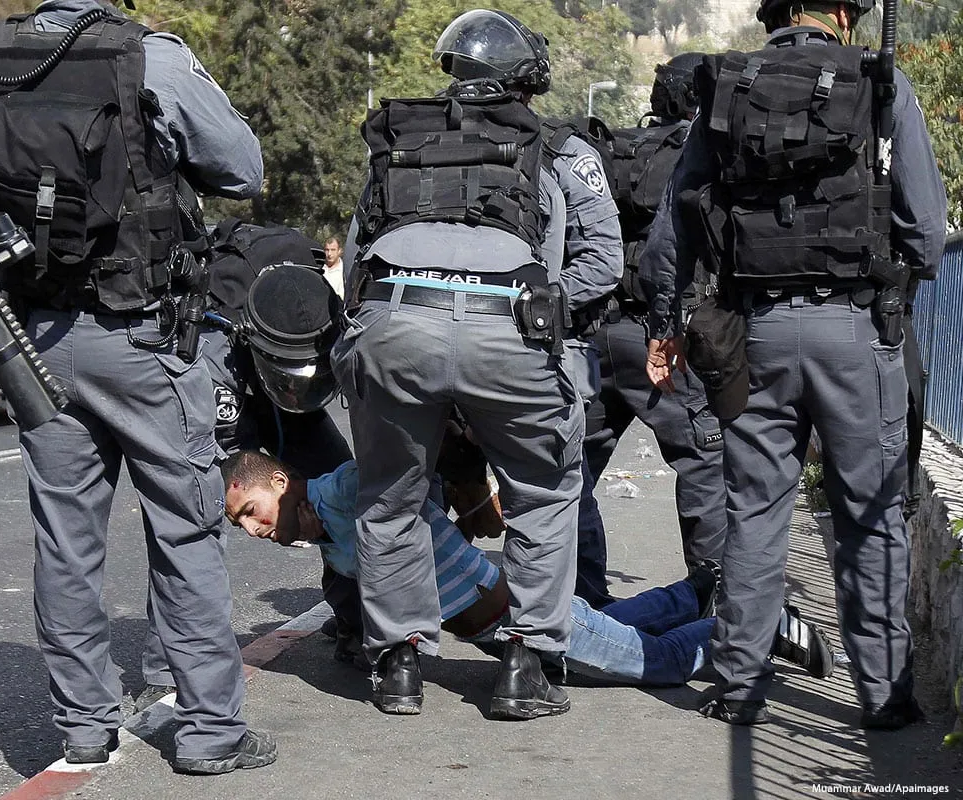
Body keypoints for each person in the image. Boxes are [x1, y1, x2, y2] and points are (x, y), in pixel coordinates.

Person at [0, 0, 275, 773]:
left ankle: (83, 727)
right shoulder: (148, 56)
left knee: (65, 540)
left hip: (33, 338)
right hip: (141, 335)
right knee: (186, 530)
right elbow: (243, 170)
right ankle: (209, 732)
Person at [641, 0, 947, 728]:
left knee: (754, 512)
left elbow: (675, 223)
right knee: (871, 514)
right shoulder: (877, 79)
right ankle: (883, 696)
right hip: (856, 331)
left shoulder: (728, 85)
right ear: (841, 12)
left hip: (756, 334)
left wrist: (668, 321)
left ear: (775, 15)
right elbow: (928, 231)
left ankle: (738, 687)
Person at [335, 8, 622, 719]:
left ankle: (398, 666)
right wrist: (542, 305)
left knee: (390, 495)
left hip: (394, 323)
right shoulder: (557, 147)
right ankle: (526, 664)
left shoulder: (402, 141)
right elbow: (604, 260)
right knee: (543, 493)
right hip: (509, 329)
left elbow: (357, 260)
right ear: (529, 81)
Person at [221, 451, 835, 687]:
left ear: (280, 481)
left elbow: (411, 462)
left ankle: (760, 627)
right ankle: (700, 594)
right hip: (503, 624)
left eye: (252, 511)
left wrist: (470, 499)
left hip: (519, 617)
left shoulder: (349, 486)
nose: (253, 529)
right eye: (241, 524)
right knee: (613, 623)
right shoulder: (326, 536)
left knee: (661, 664)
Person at [135, 219, 360, 708]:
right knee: (195, 523)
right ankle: (167, 667)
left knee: (342, 494)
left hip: (288, 399)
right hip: (229, 402)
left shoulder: (324, 319)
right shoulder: (215, 355)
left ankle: (358, 622)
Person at [574, 53, 727, 608]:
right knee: (705, 460)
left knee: (571, 470)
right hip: (660, 337)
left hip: (593, 334)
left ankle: (579, 602)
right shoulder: (700, 152)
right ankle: (716, 604)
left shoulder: (607, 153)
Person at [323, 234, 345, 298]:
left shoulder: (344, 270)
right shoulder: (319, 267)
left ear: (339, 251)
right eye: (327, 250)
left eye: (333, 250)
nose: (329, 254)